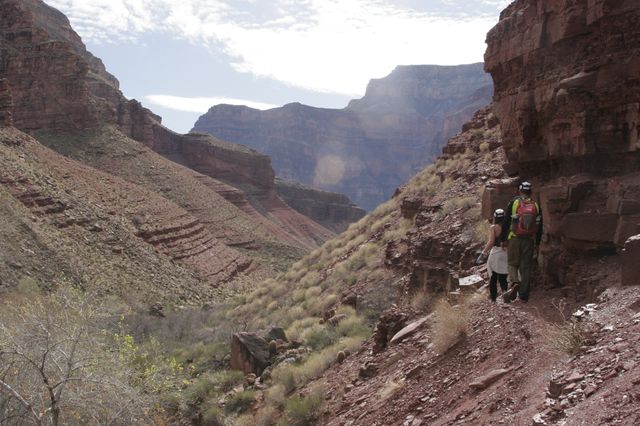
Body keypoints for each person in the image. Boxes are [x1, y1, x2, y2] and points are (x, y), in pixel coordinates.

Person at [500, 181, 542, 303]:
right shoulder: (536, 205)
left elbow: (506, 221)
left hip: (514, 238)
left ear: (520, 191)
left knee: (512, 263)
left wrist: (503, 239)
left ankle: (514, 283)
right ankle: (524, 296)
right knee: (526, 267)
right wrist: (538, 243)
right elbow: (540, 226)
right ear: (531, 192)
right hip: (529, 240)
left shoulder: (514, 202)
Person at [476, 209, 509, 302]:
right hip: (506, 252)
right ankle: (505, 292)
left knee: (493, 275)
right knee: (503, 275)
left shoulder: (493, 227)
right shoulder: (509, 226)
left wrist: (483, 253)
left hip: (496, 252)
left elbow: (491, 242)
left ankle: (493, 298)